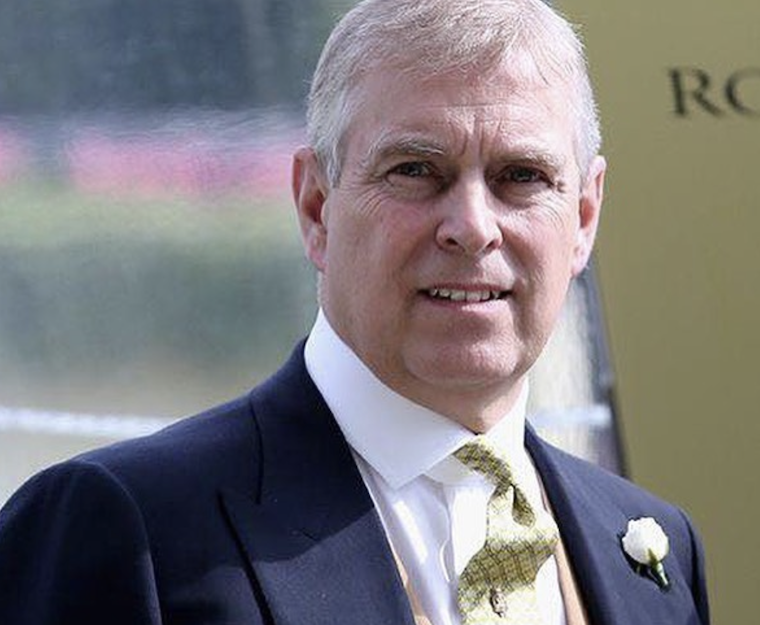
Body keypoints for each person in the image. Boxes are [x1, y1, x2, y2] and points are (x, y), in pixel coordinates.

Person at [0, 1, 709, 624]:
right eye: (415, 170)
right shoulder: (126, 529)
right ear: (317, 207)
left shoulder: (654, 549)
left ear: (583, 217)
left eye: (520, 177)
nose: (472, 227)